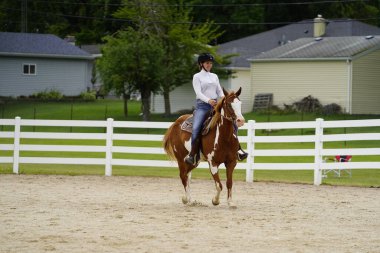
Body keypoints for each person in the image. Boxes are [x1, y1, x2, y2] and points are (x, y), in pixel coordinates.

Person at [184, 53, 248, 165]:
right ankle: (193, 154)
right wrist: (208, 100)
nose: (209, 65)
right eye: (207, 63)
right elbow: (198, 93)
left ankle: (238, 149)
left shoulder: (214, 76)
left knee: (232, 123)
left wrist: (226, 99)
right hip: (202, 106)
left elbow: (219, 91)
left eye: (210, 63)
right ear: (201, 64)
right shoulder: (197, 77)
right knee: (196, 128)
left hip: (215, 105)